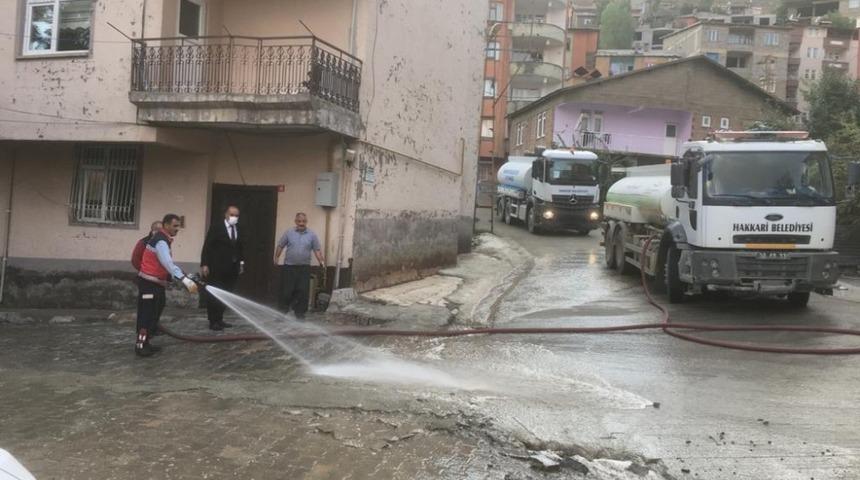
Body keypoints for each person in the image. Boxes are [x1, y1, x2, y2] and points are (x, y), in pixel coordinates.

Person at [135, 214, 198, 357]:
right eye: (175, 226)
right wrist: (185, 280)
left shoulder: (164, 240)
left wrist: (182, 275)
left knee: (154, 312)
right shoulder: (161, 242)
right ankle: (140, 345)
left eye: (178, 226)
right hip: (148, 284)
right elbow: (168, 264)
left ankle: (147, 343)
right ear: (166, 225)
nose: (177, 229)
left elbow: (166, 265)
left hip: (156, 283)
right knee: (145, 315)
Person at [200, 205, 244, 331]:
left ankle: (220, 319)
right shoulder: (216, 227)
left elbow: (240, 248)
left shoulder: (238, 228)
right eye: (232, 214)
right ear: (226, 215)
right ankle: (213, 320)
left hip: (232, 268)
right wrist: (204, 264)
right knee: (215, 294)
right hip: (216, 267)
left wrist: (241, 263)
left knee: (226, 293)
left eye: (236, 215)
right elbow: (207, 245)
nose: (234, 218)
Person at [273, 212, 324, 319]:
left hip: (304, 268)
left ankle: (300, 314)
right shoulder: (289, 233)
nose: (301, 223)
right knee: (286, 291)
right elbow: (280, 245)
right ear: (296, 222)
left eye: (304, 221)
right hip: (289, 267)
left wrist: (321, 261)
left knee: (302, 291)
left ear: (306, 222)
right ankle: (282, 312)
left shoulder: (312, 235)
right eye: (299, 221)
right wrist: (276, 257)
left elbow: (317, 249)